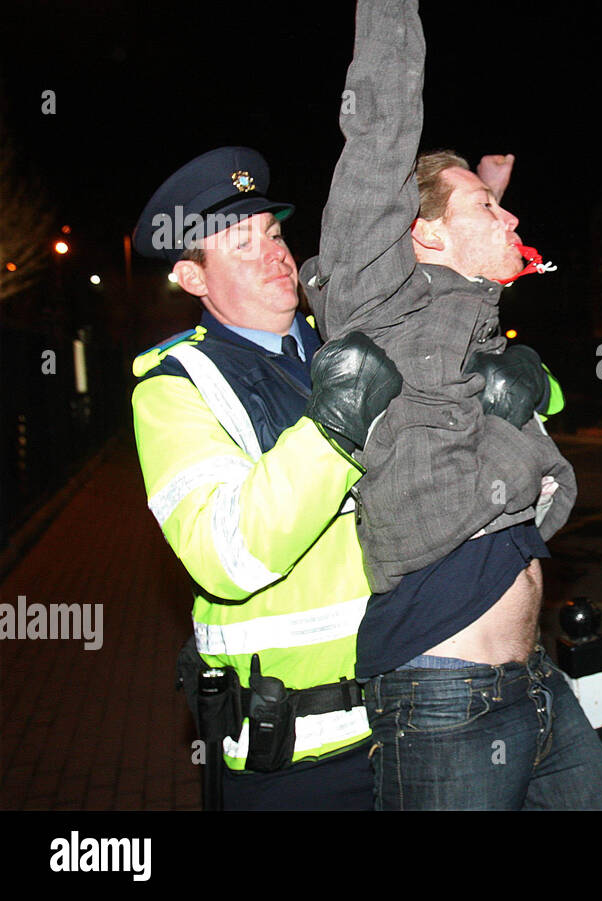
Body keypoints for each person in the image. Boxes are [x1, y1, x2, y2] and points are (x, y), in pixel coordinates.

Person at [298, 0, 602, 810]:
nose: (514, 223)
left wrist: (485, 198)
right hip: (443, 698)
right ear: (423, 231)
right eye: (489, 209)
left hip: (537, 681)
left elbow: (461, 297)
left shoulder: (467, 325)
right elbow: (382, 122)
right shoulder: (375, 300)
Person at [130, 142, 400, 808]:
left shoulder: (341, 341)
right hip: (295, 754)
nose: (276, 254)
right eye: (243, 244)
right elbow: (224, 553)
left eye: (274, 235)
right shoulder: (174, 387)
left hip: (410, 712)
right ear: (192, 278)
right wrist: (333, 431)